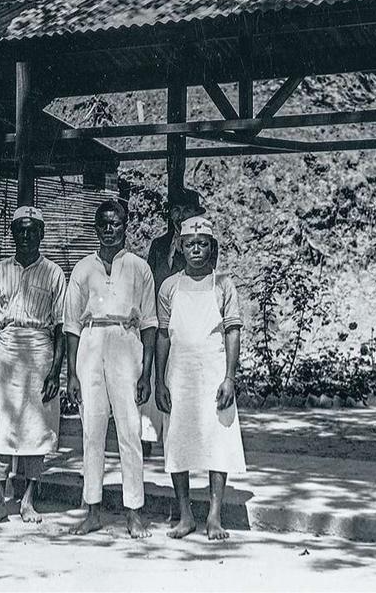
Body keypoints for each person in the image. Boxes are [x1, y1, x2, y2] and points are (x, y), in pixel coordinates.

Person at [65, 199, 157, 539]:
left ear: (125, 225)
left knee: (130, 431)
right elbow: (71, 324)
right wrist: (71, 373)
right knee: (92, 430)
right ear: (95, 228)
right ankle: (92, 510)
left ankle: (134, 512)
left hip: (125, 343)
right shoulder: (82, 269)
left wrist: (146, 373)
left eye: (115, 223)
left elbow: (149, 322)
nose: (109, 229)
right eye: (103, 223)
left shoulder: (138, 267)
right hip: (91, 345)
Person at [156, 216, 246, 541]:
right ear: (180, 246)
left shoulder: (223, 284)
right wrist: (158, 380)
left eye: (203, 244)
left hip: (213, 370)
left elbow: (233, 331)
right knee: (177, 441)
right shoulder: (169, 286)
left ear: (212, 248)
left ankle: (214, 516)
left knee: (216, 440)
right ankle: (185, 515)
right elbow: (163, 336)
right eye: (190, 244)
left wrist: (230, 378)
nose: (196, 249)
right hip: (178, 372)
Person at [0, 205, 66, 523]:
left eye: (32, 230)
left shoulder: (55, 273)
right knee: (1, 425)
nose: (26, 236)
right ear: (12, 233)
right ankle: (0, 498)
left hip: (40, 350)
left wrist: (57, 371)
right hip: (7, 349)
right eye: (20, 230)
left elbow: (60, 326)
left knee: (35, 427)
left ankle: (28, 499)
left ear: (41, 234)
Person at [142, 189, 206, 455]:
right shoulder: (159, 244)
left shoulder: (201, 246)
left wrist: (185, 246)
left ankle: (177, 446)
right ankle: (146, 442)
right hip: (156, 321)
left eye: (186, 211)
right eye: (175, 211)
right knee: (149, 376)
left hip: (182, 323)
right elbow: (148, 279)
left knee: (176, 382)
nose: (180, 217)